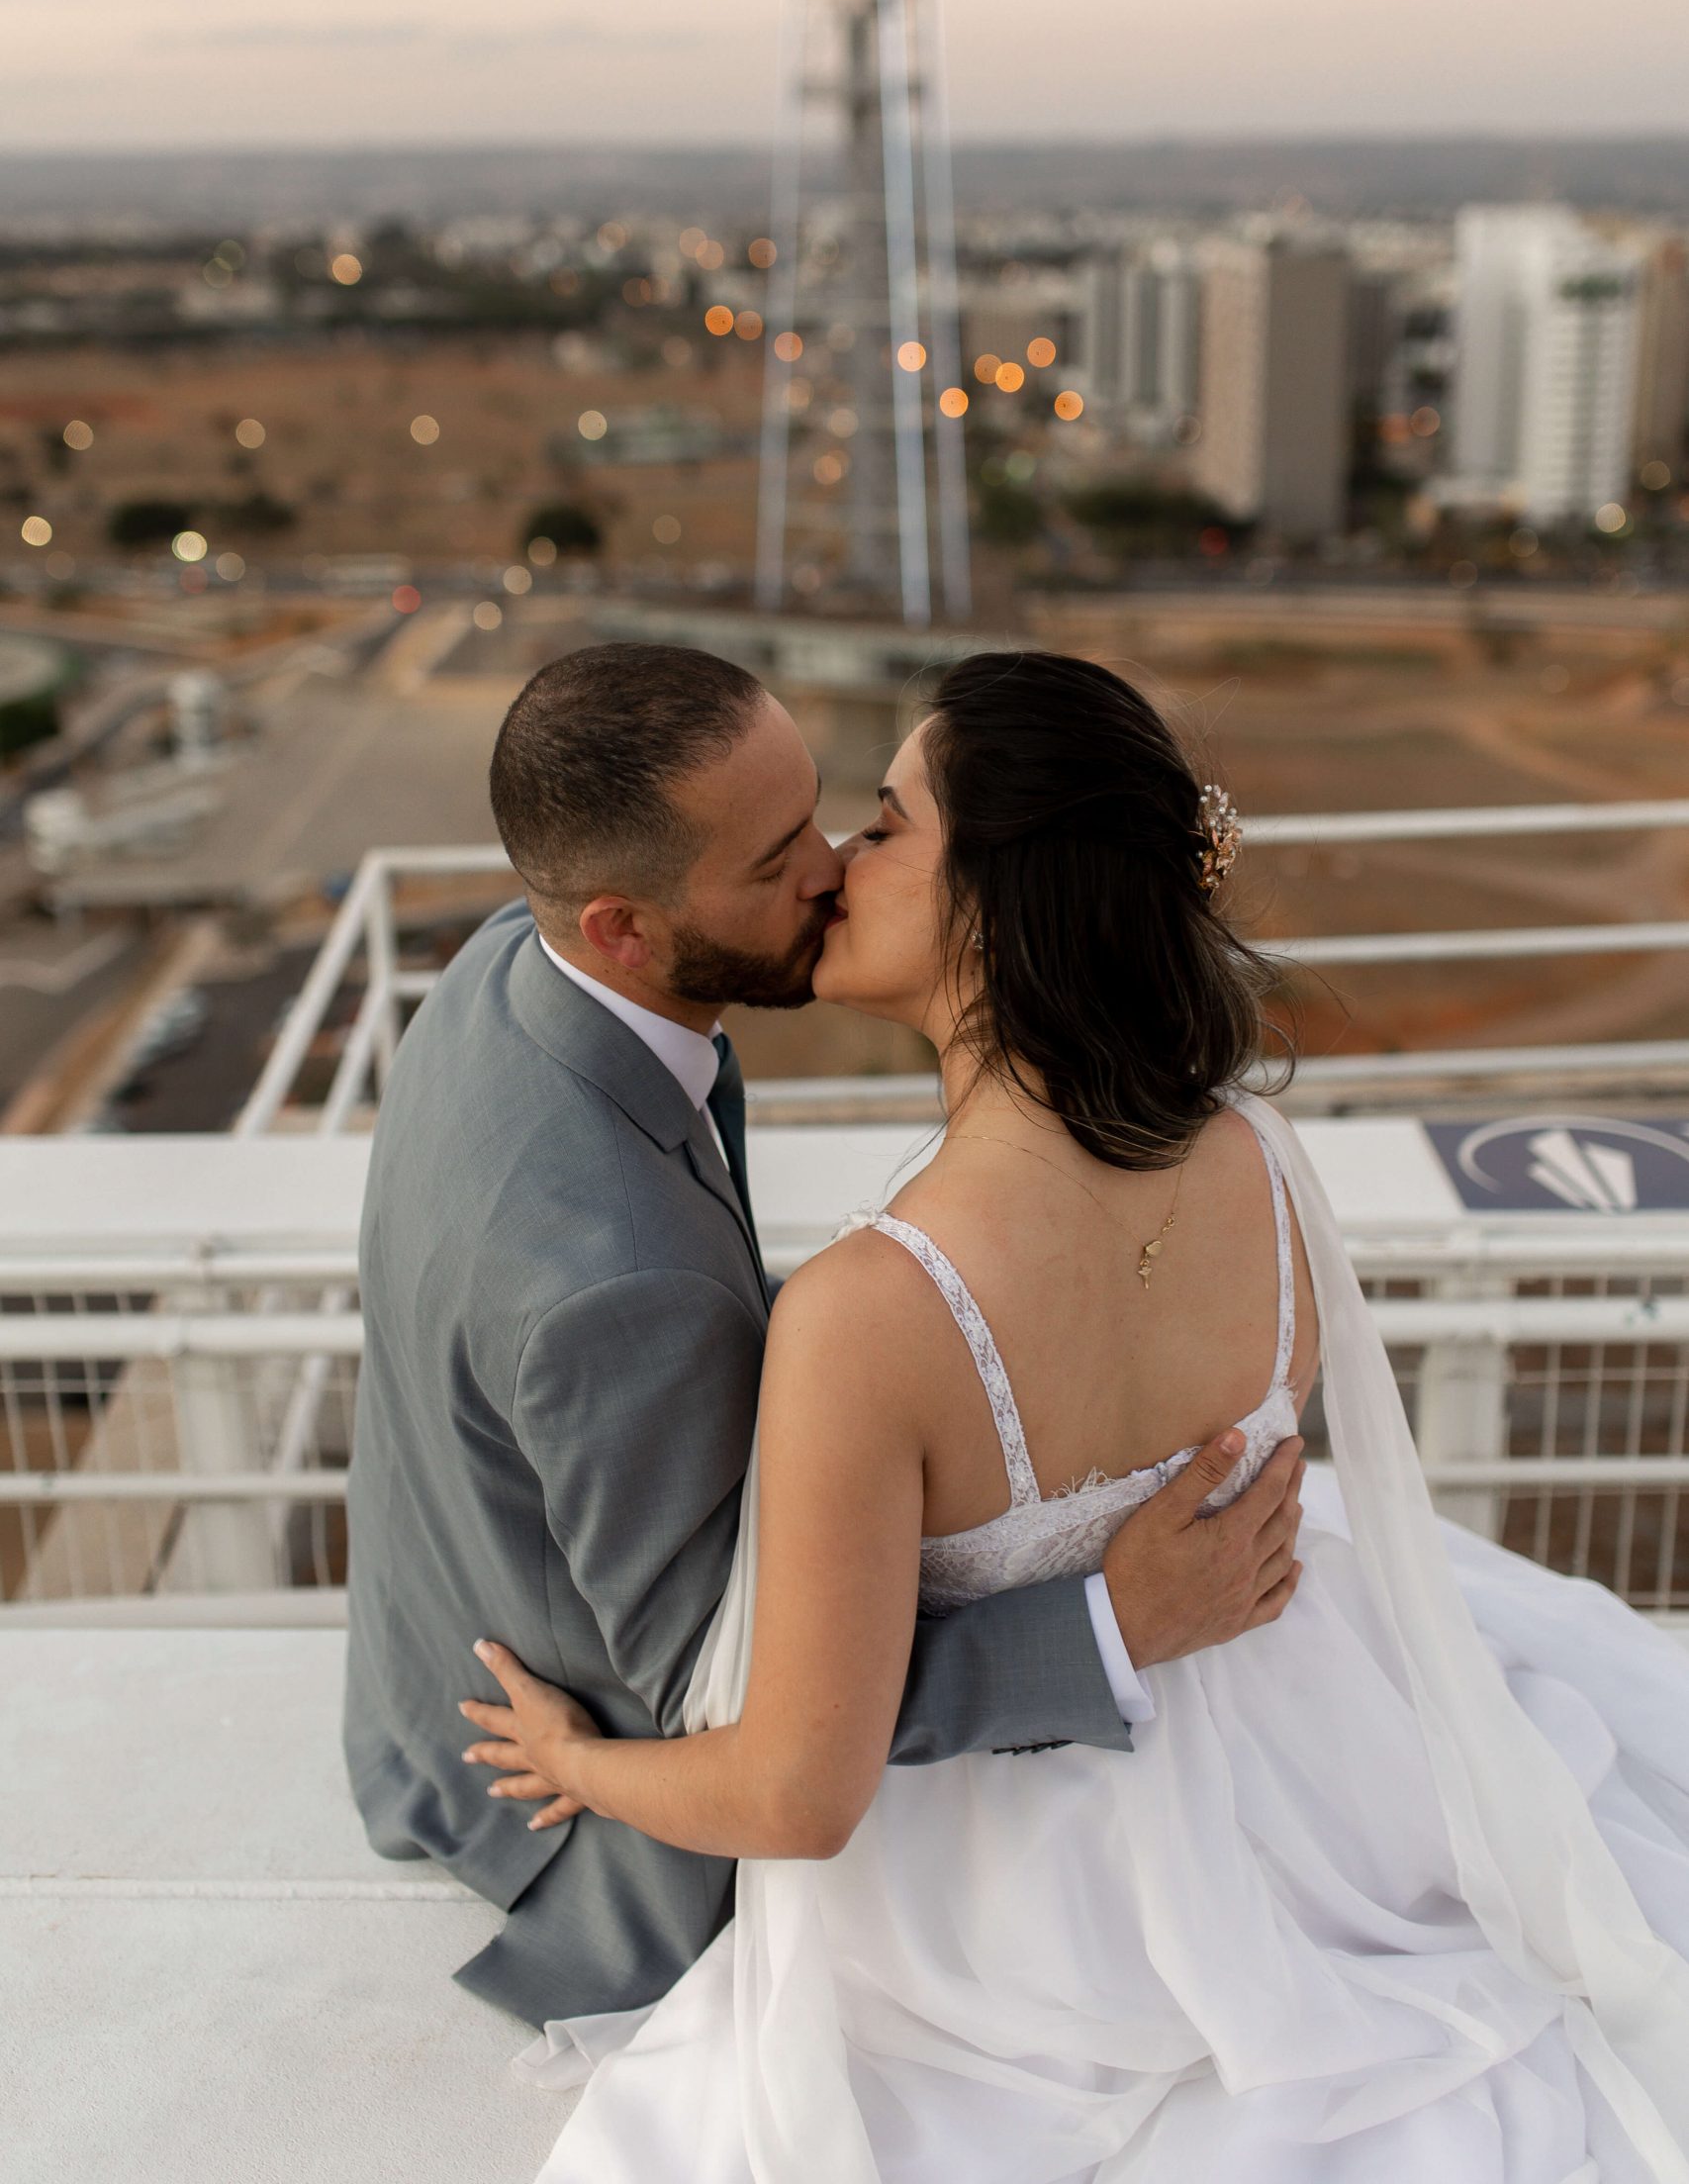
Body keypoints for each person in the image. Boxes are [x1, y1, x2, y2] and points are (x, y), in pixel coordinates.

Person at [461, 648, 1689, 2181]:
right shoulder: (1259, 1159)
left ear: (993, 903)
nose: (839, 864)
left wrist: (576, 1764)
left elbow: (793, 1791)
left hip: (1024, 1920)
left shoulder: (868, 1314)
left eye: (887, 824)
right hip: (1304, 1794)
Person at [343, 642, 1302, 2031]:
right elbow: (746, 1721)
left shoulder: (514, 963)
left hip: (422, 1659)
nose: (832, 866)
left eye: (841, 817)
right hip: (578, 1813)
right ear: (622, 928)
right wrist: (1109, 1625)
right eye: (775, 857)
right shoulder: (629, 1281)